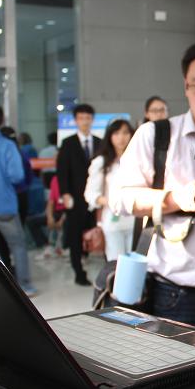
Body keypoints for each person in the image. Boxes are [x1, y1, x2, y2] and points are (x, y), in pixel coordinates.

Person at [115, 40, 195, 329]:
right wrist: (176, 199)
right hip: (175, 291)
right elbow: (121, 199)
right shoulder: (155, 136)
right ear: (186, 86)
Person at [0, 104, 38, 296]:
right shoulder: (7, 145)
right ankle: (25, 286)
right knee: (17, 245)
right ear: (2, 121)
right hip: (4, 205)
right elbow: (17, 176)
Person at [56, 104, 101, 286]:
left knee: (97, 231)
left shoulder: (99, 142)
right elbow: (62, 171)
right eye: (81, 118)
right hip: (75, 198)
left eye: (88, 118)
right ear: (75, 120)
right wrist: (65, 193)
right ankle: (78, 272)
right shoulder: (68, 143)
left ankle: (101, 268)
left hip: (96, 199)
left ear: (92, 120)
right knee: (75, 235)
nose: (85, 121)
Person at [84, 119, 135, 262]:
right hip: (113, 220)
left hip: (136, 220)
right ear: (110, 136)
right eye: (116, 133)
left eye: (125, 133)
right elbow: (90, 194)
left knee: (136, 264)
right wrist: (112, 202)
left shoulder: (138, 159)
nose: (121, 137)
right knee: (116, 264)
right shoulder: (101, 162)